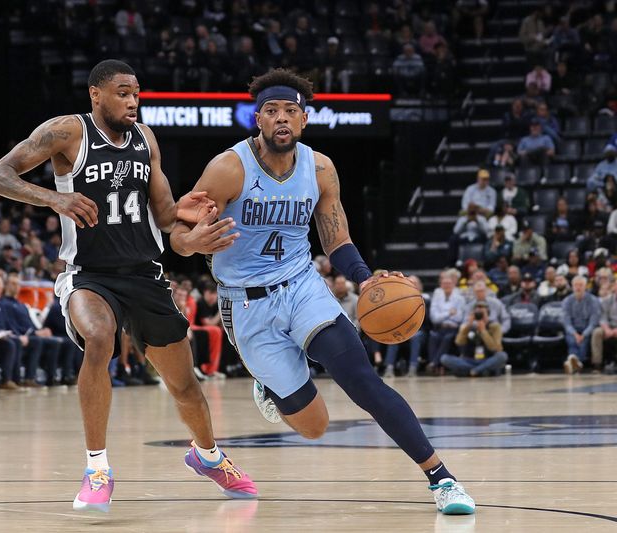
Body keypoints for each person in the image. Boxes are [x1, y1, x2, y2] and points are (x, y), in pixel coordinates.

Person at [170, 68, 474, 514]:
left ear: (304, 119)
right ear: (258, 119)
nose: (281, 119)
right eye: (271, 111)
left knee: (363, 382)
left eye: (290, 111)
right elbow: (179, 227)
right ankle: (270, 384)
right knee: (314, 427)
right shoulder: (229, 167)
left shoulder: (320, 168)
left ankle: (442, 478)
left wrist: (365, 277)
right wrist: (188, 242)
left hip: (301, 287)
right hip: (246, 303)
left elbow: (336, 239)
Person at [0, 59, 257, 512]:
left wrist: (192, 225)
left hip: (144, 273)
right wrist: (55, 197)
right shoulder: (68, 131)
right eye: (123, 93)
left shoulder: (146, 138)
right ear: (96, 94)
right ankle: (97, 469)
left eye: (136, 94)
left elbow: (166, 219)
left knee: (184, 385)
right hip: (89, 274)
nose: (133, 102)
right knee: (98, 336)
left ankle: (207, 455)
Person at [440, 302, 508, 377]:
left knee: (502, 356)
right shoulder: (468, 327)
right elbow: (459, 343)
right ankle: (480, 370)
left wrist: (483, 331)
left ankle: (474, 371)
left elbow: (496, 348)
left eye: (482, 313)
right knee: (444, 358)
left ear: (488, 314)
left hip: (487, 359)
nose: (479, 316)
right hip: (470, 360)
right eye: (477, 313)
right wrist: (468, 326)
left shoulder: (495, 327)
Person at [562, 276, 600, 374]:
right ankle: (577, 363)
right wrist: (575, 334)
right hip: (573, 329)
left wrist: (583, 334)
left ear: (585, 286)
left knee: (584, 340)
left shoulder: (593, 300)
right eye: (576, 285)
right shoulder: (567, 301)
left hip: (587, 328)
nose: (578, 288)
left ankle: (573, 360)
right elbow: (566, 322)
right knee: (571, 339)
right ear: (572, 286)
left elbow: (593, 322)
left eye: (581, 285)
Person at [591, 281, 617, 373]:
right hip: (609, 327)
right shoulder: (607, 300)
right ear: (614, 287)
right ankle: (597, 364)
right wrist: (607, 329)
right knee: (597, 332)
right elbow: (603, 317)